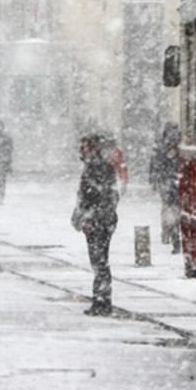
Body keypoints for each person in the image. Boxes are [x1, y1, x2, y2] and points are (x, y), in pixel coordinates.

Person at [71, 133, 119, 316]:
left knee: (99, 262)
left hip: (99, 222)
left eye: (84, 148)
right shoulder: (98, 167)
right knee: (99, 261)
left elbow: (100, 197)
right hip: (102, 220)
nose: (81, 151)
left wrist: (90, 219)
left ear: (93, 148)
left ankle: (102, 301)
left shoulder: (96, 168)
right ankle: (101, 299)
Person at [150, 122, 181, 253]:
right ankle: (170, 232)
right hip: (171, 180)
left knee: (168, 207)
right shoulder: (170, 145)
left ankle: (168, 232)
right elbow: (156, 163)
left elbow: (155, 163)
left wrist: (154, 178)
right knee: (170, 207)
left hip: (168, 180)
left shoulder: (161, 145)